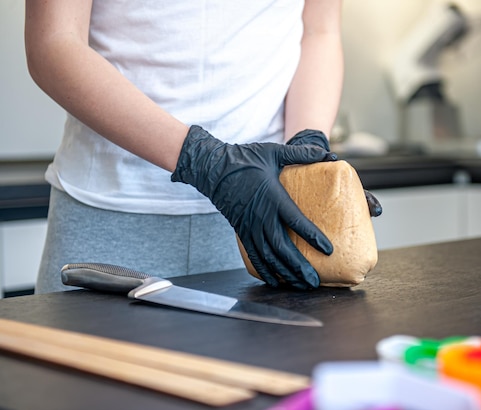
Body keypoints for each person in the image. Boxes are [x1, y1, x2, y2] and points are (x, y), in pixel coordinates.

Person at [26, 0, 379, 294]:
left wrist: (307, 147)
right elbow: (54, 42)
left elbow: (320, 30)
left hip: (264, 224)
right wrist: (204, 160)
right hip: (110, 216)